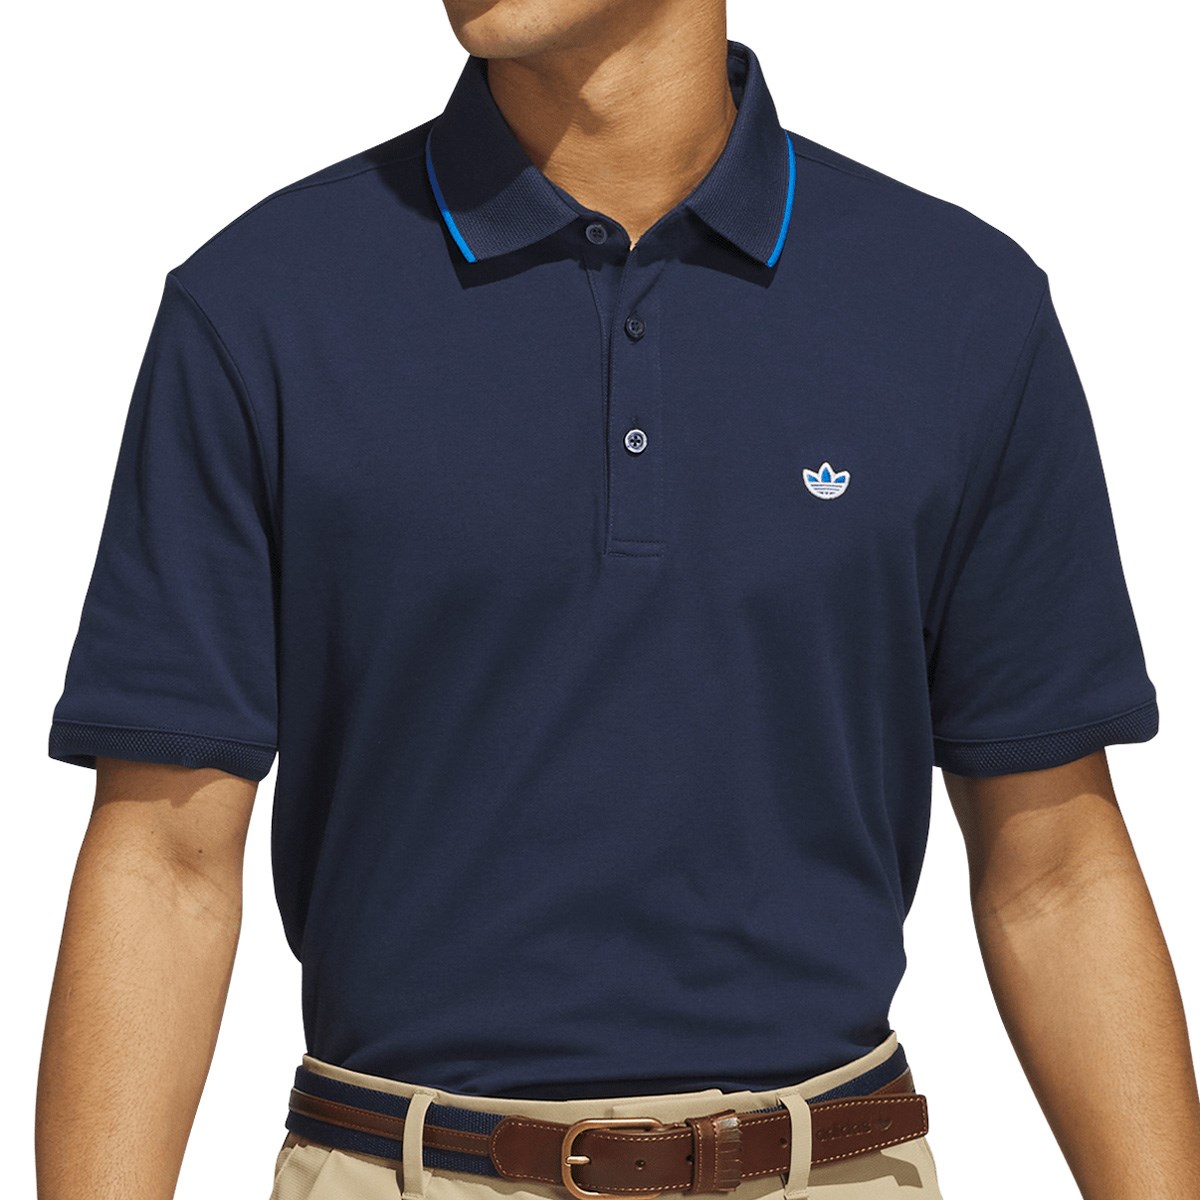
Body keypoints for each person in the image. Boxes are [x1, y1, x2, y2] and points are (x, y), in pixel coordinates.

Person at [35, 1, 1200, 1198]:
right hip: (399, 1165)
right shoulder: (262, 305)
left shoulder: (957, 308)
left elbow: (1057, 868)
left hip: (829, 1165)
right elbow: (164, 862)